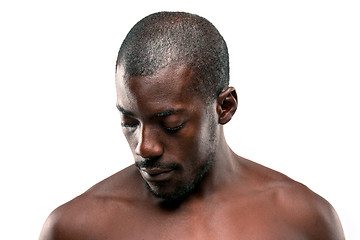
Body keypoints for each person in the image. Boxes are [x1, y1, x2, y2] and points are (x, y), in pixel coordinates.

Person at [39, 12, 345, 239]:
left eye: (170, 124)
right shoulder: (75, 228)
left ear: (224, 107)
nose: (144, 147)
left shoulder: (305, 221)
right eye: (129, 122)